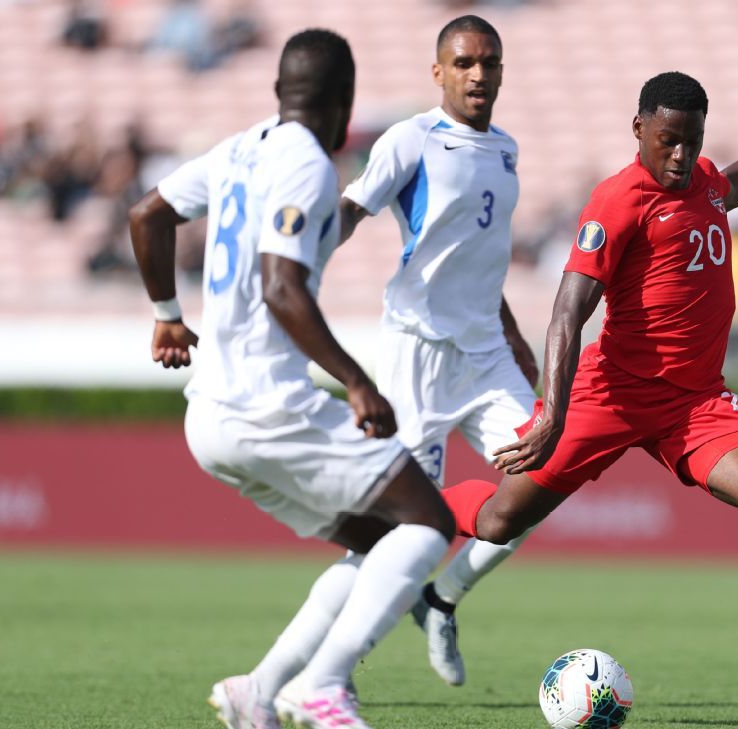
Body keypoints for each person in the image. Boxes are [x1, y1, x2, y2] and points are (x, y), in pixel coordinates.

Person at [437, 71, 738, 707]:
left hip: (695, 402)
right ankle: (412, 503)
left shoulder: (703, 181)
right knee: (499, 521)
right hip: (611, 394)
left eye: (692, 141)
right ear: (639, 129)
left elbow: (732, 184)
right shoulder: (617, 200)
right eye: (668, 140)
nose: (680, 155)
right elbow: (566, 313)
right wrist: (553, 413)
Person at [128, 29, 455, 729]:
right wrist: (357, 382)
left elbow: (146, 213)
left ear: (279, 92)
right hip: (267, 410)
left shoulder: (240, 148)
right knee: (430, 521)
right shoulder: (309, 163)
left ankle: (259, 690)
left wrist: (166, 316)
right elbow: (282, 286)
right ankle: (321, 685)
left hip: (208, 419)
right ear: (346, 102)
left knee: (380, 540)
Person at [266, 14, 535, 689]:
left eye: (489, 62)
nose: (478, 74)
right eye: (464, 62)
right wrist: (298, 266)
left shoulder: (506, 148)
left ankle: (442, 599)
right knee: (396, 532)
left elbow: (478, 260)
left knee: (545, 479)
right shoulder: (411, 139)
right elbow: (351, 210)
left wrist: (515, 337)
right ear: (439, 72)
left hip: (487, 355)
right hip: (417, 355)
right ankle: (329, 667)